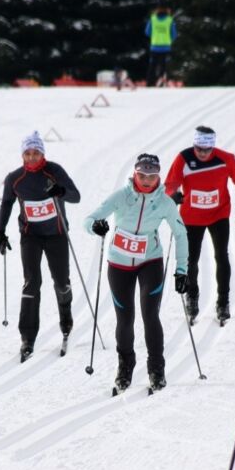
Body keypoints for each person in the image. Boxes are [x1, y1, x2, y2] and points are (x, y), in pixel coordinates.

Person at [84, 153, 189, 395]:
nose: (146, 180)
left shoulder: (165, 202)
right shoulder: (122, 197)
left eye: (152, 176)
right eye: (142, 175)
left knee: (150, 316)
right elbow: (89, 219)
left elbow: (180, 234)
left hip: (150, 262)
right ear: (134, 173)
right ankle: (125, 365)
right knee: (124, 318)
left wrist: (181, 270)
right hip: (119, 265)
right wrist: (95, 227)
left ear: (158, 177)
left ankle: (156, 369)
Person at [0, 131, 81, 362]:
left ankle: (66, 321)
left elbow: (76, 196)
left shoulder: (54, 171)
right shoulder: (15, 178)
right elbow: (6, 204)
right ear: (22, 155)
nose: (32, 158)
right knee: (32, 283)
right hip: (30, 235)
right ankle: (27, 338)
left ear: (43, 153)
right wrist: (0, 232)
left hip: (56, 234)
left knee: (61, 281)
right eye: (28, 153)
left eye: (36, 153)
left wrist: (60, 191)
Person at [164, 126, 235, 325]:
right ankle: (192, 297)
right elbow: (171, 184)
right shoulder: (184, 159)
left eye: (206, 150)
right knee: (190, 260)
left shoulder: (225, 159)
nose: (202, 153)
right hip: (192, 216)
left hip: (218, 213)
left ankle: (223, 302)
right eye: (198, 149)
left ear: (213, 147)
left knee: (221, 255)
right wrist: (172, 195)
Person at [144, 4, 176, 87]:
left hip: (154, 46)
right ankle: (161, 82)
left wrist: (155, 36)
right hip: (166, 47)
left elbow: (147, 32)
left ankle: (150, 83)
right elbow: (174, 34)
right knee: (164, 66)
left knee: (152, 66)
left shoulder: (153, 19)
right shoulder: (170, 20)